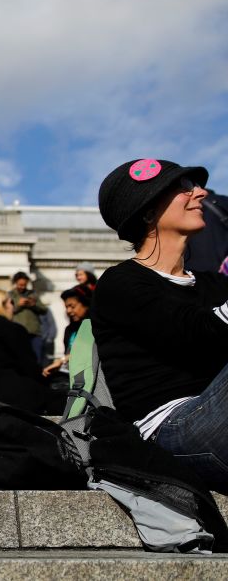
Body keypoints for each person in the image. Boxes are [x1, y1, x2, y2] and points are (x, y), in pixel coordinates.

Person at [92, 158, 228, 492]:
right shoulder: (120, 283)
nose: (201, 193)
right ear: (148, 211)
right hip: (171, 432)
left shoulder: (213, 285)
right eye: (182, 188)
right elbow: (200, 333)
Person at [8, 271, 48, 365]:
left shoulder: (32, 294)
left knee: (36, 359)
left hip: (34, 333)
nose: (22, 287)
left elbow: (44, 310)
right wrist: (18, 305)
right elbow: (6, 312)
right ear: (15, 283)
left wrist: (33, 305)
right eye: (20, 284)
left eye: (24, 285)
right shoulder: (10, 296)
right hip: (18, 333)